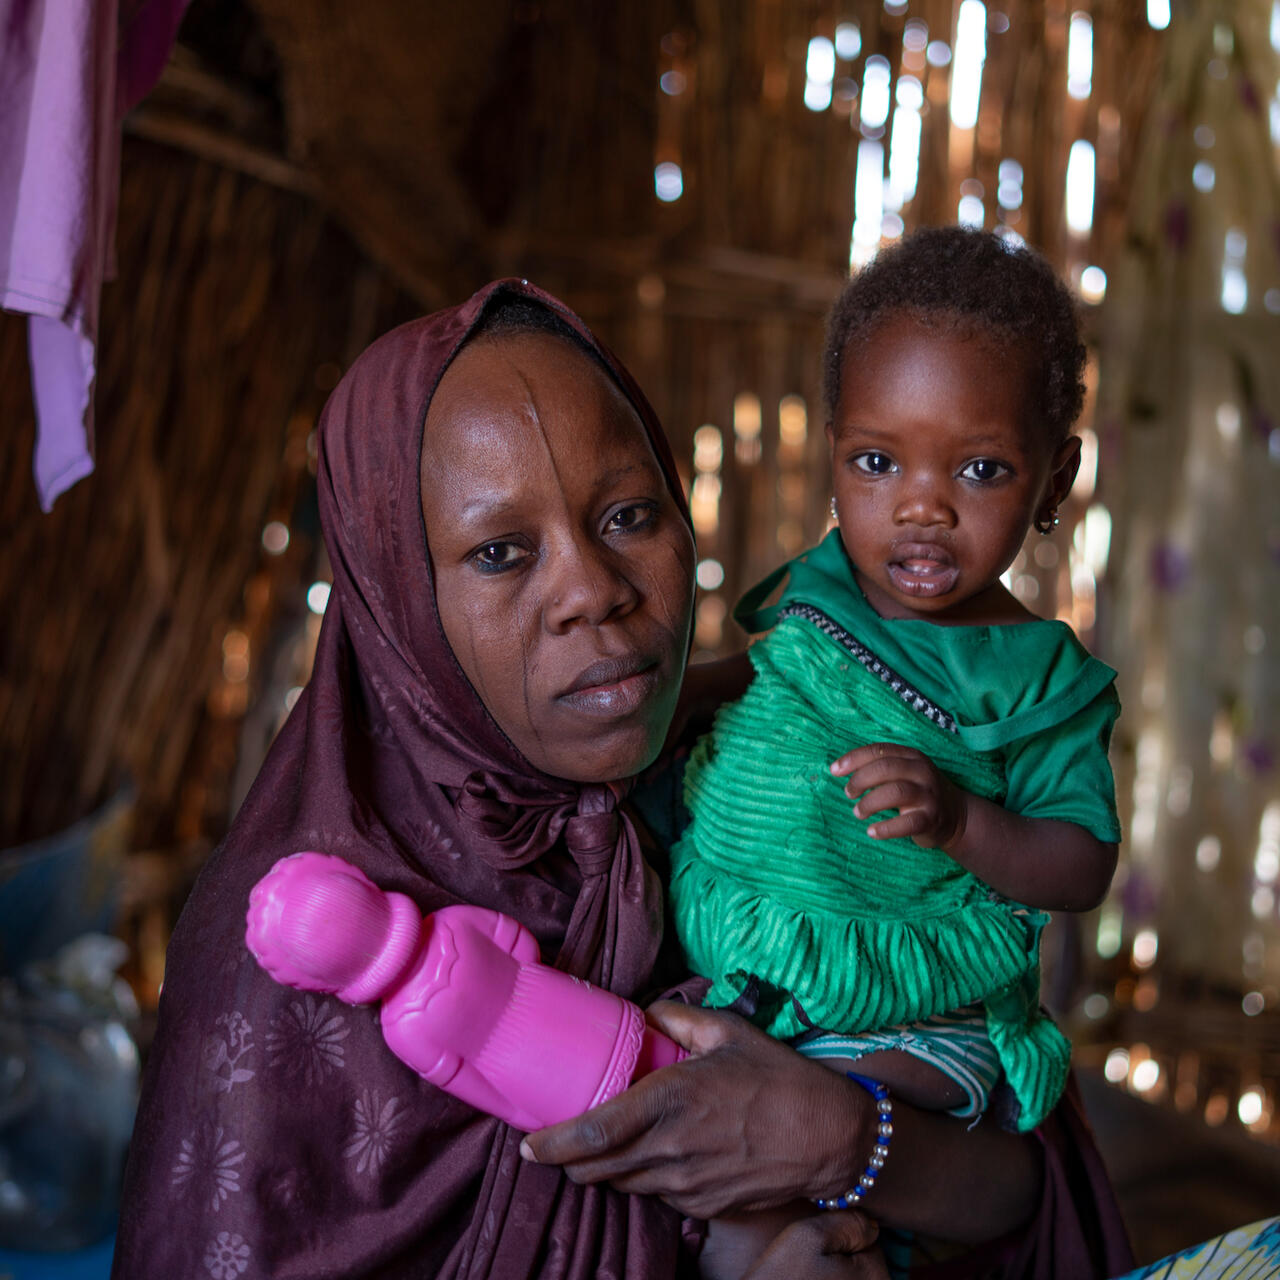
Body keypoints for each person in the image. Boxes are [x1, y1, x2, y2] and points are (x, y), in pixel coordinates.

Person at [111, 278, 1131, 1279]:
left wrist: (837, 1136)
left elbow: (1024, 1189)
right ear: (396, 597)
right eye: (502, 551)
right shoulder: (287, 955)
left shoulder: (743, 796)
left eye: (629, 516)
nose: (592, 592)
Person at [659, 228, 1122, 1270]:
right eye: (876, 460)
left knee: (783, 1154)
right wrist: (685, 700)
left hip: (909, 1021)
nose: (920, 504)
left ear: (1054, 479)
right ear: (832, 454)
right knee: (717, 1230)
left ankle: (835, 1228)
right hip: (760, 968)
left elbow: (1079, 860)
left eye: (980, 468)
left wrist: (963, 822)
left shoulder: (1035, 678)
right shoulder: (823, 584)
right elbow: (775, 682)